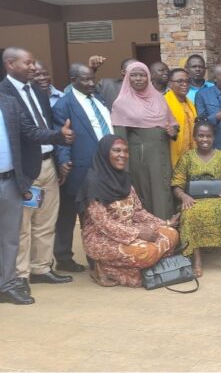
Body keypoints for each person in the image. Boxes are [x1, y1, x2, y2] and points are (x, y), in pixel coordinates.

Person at [0, 47, 73, 291]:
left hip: (48, 164)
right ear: (10, 64)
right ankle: (19, 275)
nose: (33, 68)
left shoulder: (39, 91)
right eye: (28, 63)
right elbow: (26, 133)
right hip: (25, 170)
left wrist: (59, 156)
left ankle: (41, 268)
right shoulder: (4, 92)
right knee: (21, 226)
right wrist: (58, 137)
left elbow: (49, 124)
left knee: (46, 221)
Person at [77, 135, 179, 287]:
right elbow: (104, 224)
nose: (122, 155)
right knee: (146, 252)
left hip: (129, 229)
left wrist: (164, 223)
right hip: (101, 238)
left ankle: (131, 269)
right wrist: (138, 234)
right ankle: (104, 268)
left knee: (171, 234)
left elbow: (138, 211)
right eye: (117, 150)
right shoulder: (93, 183)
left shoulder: (124, 178)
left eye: (125, 151)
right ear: (105, 153)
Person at [51, 63, 113, 273]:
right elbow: (62, 139)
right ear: (73, 81)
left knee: (96, 215)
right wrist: (64, 162)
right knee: (69, 215)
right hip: (78, 169)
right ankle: (63, 257)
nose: (90, 83)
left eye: (92, 79)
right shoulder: (63, 105)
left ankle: (97, 258)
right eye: (85, 80)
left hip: (104, 168)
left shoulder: (99, 99)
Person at [171, 121, 221, 276]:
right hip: (194, 200)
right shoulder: (187, 157)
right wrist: (183, 196)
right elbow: (176, 184)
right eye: (201, 135)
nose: (205, 139)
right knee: (189, 213)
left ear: (213, 137)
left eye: (208, 136)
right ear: (195, 137)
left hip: (219, 198)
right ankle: (197, 260)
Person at [111, 61, 178, 220]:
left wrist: (173, 131)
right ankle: (152, 236)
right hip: (140, 161)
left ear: (148, 77)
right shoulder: (121, 103)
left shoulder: (158, 98)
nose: (138, 79)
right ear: (127, 78)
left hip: (162, 155)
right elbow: (120, 140)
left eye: (142, 75)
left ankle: (168, 235)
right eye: (134, 75)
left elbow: (172, 124)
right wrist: (123, 171)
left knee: (164, 193)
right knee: (148, 196)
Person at [165, 68, 196, 168]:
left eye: (187, 81)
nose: (185, 84)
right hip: (172, 158)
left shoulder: (190, 104)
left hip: (191, 158)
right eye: (180, 81)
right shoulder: (163, 103)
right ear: (170, 84)